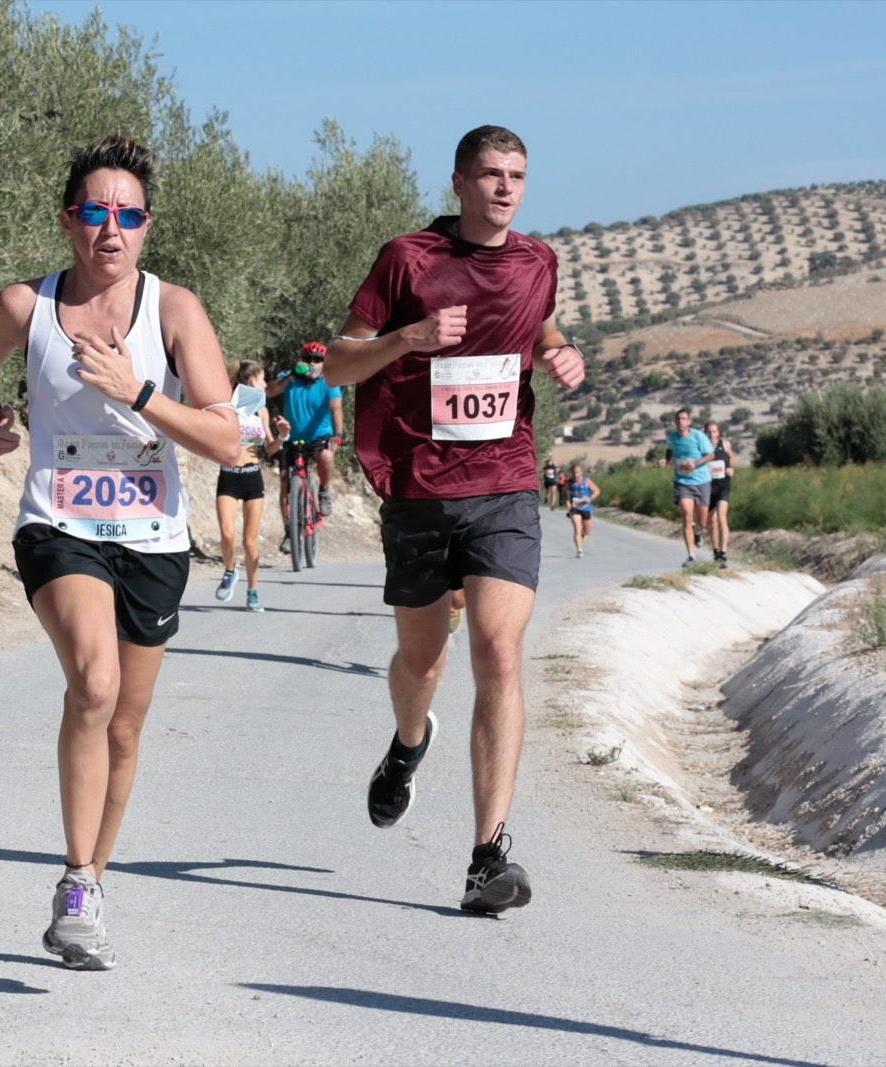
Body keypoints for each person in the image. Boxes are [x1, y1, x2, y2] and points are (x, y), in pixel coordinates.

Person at [0, 135, 239, 971]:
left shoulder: (175, 310)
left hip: (153, 538)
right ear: (68, 220)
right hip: (59, 525)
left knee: (124, 724)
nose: (110, 230)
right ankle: (75, 880)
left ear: (148, 226)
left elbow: (226, 438)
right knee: (94, 682)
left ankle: (94, 881)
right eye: (94, 212)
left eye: (129, 215)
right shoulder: (25, 307)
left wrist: (139, 392)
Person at [324, 124, 584, 915]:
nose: (505, 188)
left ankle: (487, 854)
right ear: (459, 184)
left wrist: (561, 350)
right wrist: (408, 337)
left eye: (518, 175)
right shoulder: (408, 259)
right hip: (417, 488)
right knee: (423, 661)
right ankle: (409, 743)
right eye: (491, 174)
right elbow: (338, 361)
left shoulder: (540, 261)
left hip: (504, 483)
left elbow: (535, 325)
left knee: (499, 651)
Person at [215, 360, 282, 611]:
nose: (265, 384)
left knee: (250, 541)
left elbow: (270, 448)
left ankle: (253, 592)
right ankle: (230, 571)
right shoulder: (228, 406)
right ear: (251, 380)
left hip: (253, 476)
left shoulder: (261, 410)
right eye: (262, 379)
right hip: (228, 475)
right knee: (227, 533)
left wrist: (283, 436)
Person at [267, 341, 344, 523]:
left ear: (324, 362)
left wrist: (338, 435)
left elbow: (336, 409)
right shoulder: (290, 377)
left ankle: (323, 491)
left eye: (317, 360)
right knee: (285, 482)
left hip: (319, 437)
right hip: (291, 438)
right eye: (308, 359)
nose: (312, 363)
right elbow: (269, 392)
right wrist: (292, 375)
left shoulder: (329, 381)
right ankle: (289, 531)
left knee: (326, 456)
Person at [658, 408, 714, 567]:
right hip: (682, 482)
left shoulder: (699, 436)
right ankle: (691, 556)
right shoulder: (672, 437)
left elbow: (711, 455)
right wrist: (666, 461)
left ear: (689, 421)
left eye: (683, 419)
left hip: (702, 481)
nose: (680, 421)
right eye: (678, 419)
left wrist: (695, 464)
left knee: (702, 521)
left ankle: (698, 532)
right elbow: (670, 450)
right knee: (686, 515)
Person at [704, 419, 735, 567]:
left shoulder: (725, 444)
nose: (711, 434)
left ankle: (723, 552)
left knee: (722, 517)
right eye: (709, 432)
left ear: (718, 432)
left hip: (723, 484)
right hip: (708, 487)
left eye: (714, 431)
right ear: (705, 433)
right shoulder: (701, 446)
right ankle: (715, 551)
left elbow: (731, 456)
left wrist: (731, 467)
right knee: (711, 521)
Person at [564, 463, 599, 558]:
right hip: (575, 509)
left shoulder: (587, 481)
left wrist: (590, 498)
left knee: (587, 530)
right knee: (577, 528)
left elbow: (597, 491)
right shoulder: (569, 483)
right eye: (574, 473)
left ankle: (583, 535)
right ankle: (579, 550)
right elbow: (564, 494)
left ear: (581, 472)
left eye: (578, 473)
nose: (576, 475)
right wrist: (567, 502)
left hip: (586, 508)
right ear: (572, 472)